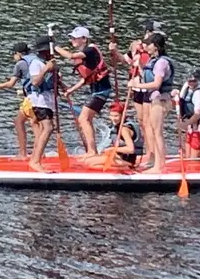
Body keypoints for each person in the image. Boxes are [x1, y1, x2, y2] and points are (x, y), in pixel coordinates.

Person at [125, 30, 176, 171]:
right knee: (153, 131)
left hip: (161, 100)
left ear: (156, 46)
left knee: (157, 133)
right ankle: (156, 162)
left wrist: (136, 85)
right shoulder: (154, 61)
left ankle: (159, 166)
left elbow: (156, 84)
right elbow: (147, 76)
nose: (146, 47)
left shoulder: (162, 63)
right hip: (155, 100)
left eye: (149, 45)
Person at [57, 25, 112, 154]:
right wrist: (70, 90)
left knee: (83, 119)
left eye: (75, 38)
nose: (72, 41)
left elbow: (70, 56)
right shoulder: (86, 55)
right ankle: (92, 150)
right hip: (96, 91)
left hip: (102, 91)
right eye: (71, 38)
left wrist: (55, 47)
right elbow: (86, 79)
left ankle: (92, 151)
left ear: (84, 39)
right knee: (86, 119)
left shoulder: (90, 50)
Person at [0, 41, 34, 156]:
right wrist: (23, 90)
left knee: (19, 122)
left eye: (14, 54)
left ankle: (22, 153)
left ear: (19, 54)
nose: (13, 57)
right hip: (36, 95)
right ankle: (39, 152)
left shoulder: (20, 64)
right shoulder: (34, 60)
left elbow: (10, 84)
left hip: (31, 99)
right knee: (35, 124)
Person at [71, 101, 144, 170]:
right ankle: (124, 166)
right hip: (117, 157)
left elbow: (131, 149)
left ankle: (126, 167)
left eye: (116, 116)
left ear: (123, 115)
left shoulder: (124, 129)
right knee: (86, 161)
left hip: (126, 160)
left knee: (88, 163)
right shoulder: (117, 126)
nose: (113, 119)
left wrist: (112, 149)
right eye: (111, 116)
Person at [23, 38, 61, 170]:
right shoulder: (36, 63)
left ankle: (35, 158)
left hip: (48, 101)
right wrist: (46, 69)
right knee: (48, 128)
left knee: (48, 128)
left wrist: (65, 88)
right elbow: (35, 82)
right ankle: (35, 161)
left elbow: (55, 81)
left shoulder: (48, 62)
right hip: (39, 101)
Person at [176, 69, 200, 160]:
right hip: (190, 127)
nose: (191, 83)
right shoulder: (186, 87)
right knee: (188, 157)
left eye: (194, 81)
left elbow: (197, 115)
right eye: (189, 80)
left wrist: (184, 124)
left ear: (198, 80)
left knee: (194, 159)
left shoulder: (199, 93)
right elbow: (180, 101)